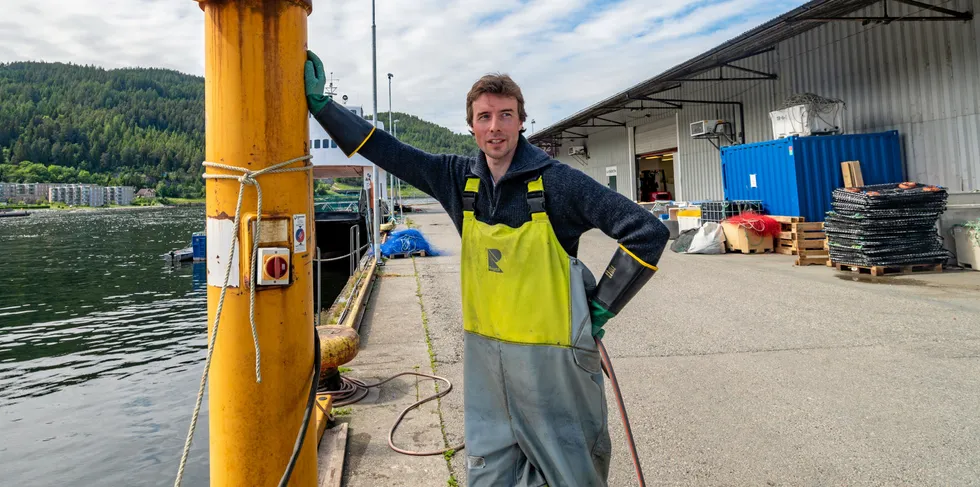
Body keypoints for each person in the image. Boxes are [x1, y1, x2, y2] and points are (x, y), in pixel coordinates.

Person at [305, 51, 669, 486]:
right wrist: (324, 107)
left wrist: (602, 306)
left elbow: (646, 231)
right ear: (471, 126)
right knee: (490, 473)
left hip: (553, 361)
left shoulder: (557, 182)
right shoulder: (458, 179)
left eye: (505, 115)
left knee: (571, 473)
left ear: (521, 121)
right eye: (484, 117)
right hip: (485, 360)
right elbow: (391, 152)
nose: (494, 126)